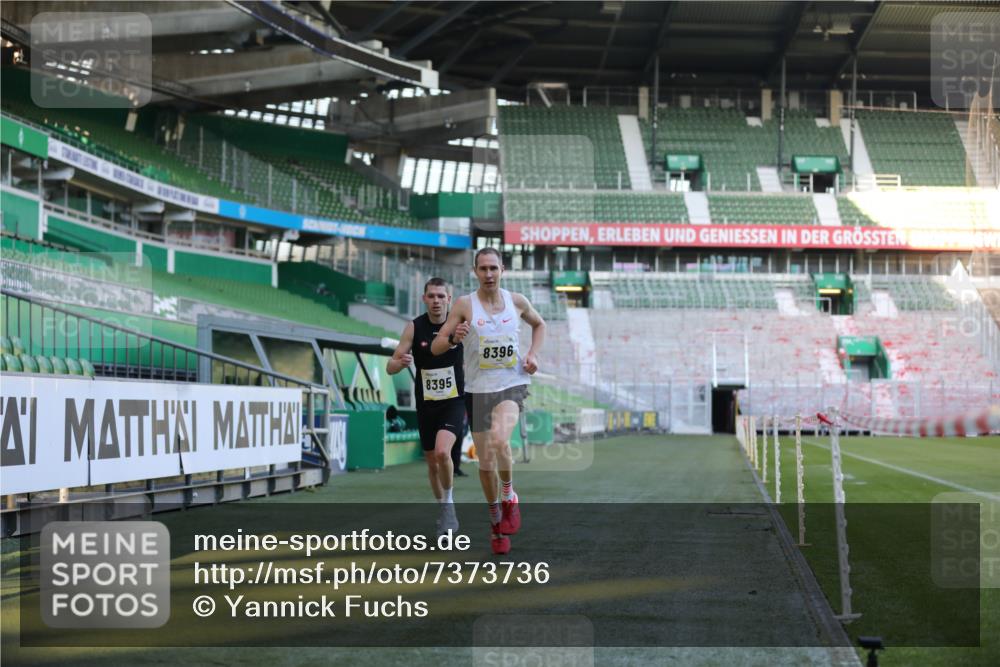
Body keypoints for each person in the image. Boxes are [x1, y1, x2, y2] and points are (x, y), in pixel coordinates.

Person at [432, 247, 545, 555]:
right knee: (485, 464)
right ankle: (496, 523)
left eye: (493, 268)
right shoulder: (465, 305)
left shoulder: (517, 302)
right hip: (478, 390)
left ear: (503, 269)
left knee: (499, 441)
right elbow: (437, 346)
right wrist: (455, 336)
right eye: (483, 269)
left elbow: (540, 324)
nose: (489, 274)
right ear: (475, 271)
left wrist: (532, 354)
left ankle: (509, 496)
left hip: (511, 384)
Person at [387, 277, 465, 535]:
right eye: (431, 296)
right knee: (432, 462)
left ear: (449, 299)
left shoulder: (461, 326)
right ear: (424, 298)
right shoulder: (414, 327)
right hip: (426, 403)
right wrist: (400, 363)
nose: (436, 301)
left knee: (443, 453)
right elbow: (391, 366)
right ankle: (443, 508)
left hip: (453, 401)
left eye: (441, 296)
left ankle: (450, 504)